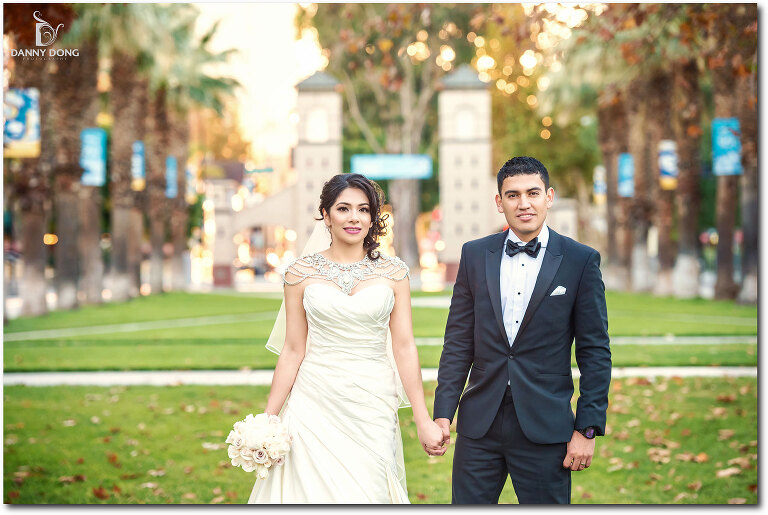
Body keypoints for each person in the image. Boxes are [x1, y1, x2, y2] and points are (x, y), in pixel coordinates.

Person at [249, 173, 446, 504]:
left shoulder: (394, 273)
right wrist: (268, 419)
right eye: (343, 208)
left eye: (364, 209)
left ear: (373, 218)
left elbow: (404, 346)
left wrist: (422, 417)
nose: (354, 217)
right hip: (313, 400)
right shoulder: (299, 275)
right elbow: (293, 350)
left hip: (372, 402)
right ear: (326, 215)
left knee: (367, 492)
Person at [433, 156, 612, 504]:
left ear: (549, 196)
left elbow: (595, 352)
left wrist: (587, 429)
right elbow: (457, 342)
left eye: (532, 192)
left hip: (546, 426)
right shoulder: (473, 255)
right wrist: (443, 413)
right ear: (499, 202)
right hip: (479, 425)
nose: (524, 203)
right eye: (512, 195)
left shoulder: (580, 260)